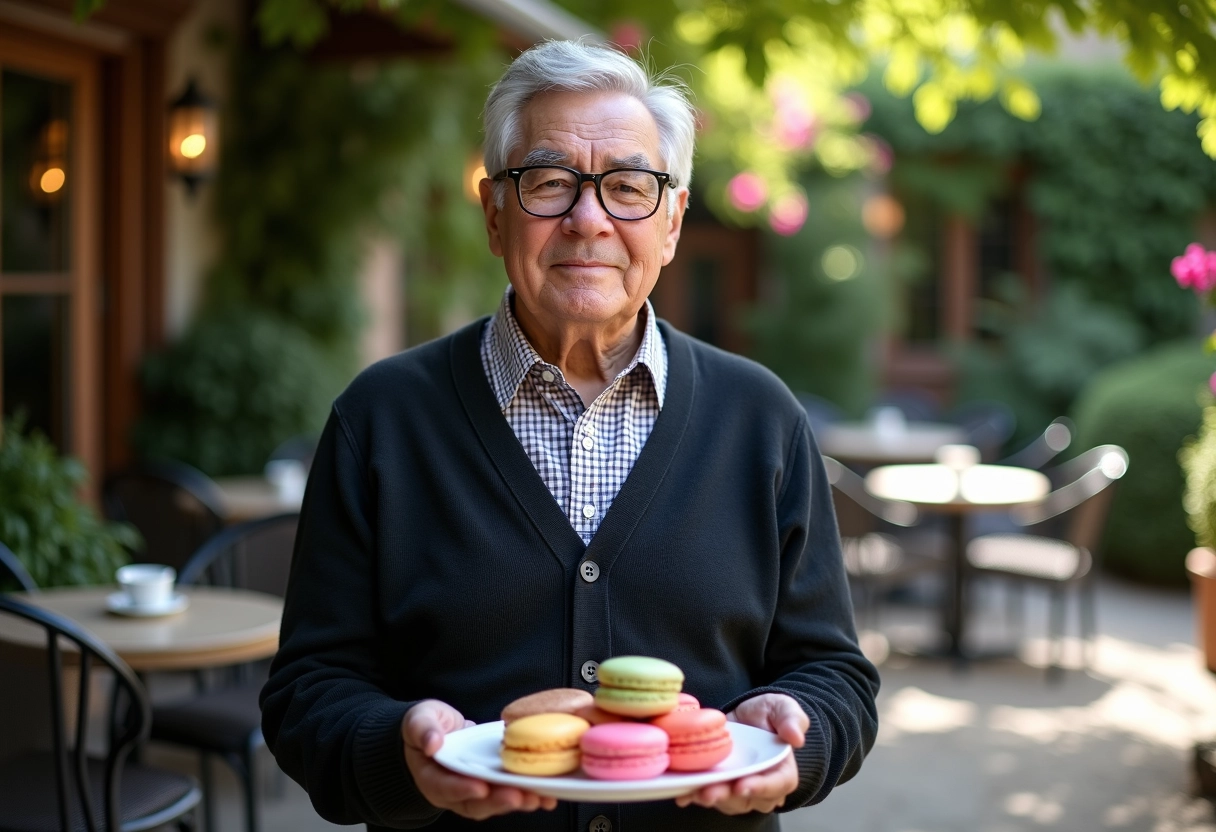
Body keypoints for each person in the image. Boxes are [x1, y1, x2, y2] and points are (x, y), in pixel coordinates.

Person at [261, 39, 879, 832]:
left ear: (672, 223)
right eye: (550, 183)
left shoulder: (762, 419)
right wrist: (398, 751)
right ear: (495, 213)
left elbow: (836, 676)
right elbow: (306, 695)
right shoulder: (380, 419)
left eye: (628, 187)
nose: (589, 221)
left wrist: (801, 734)